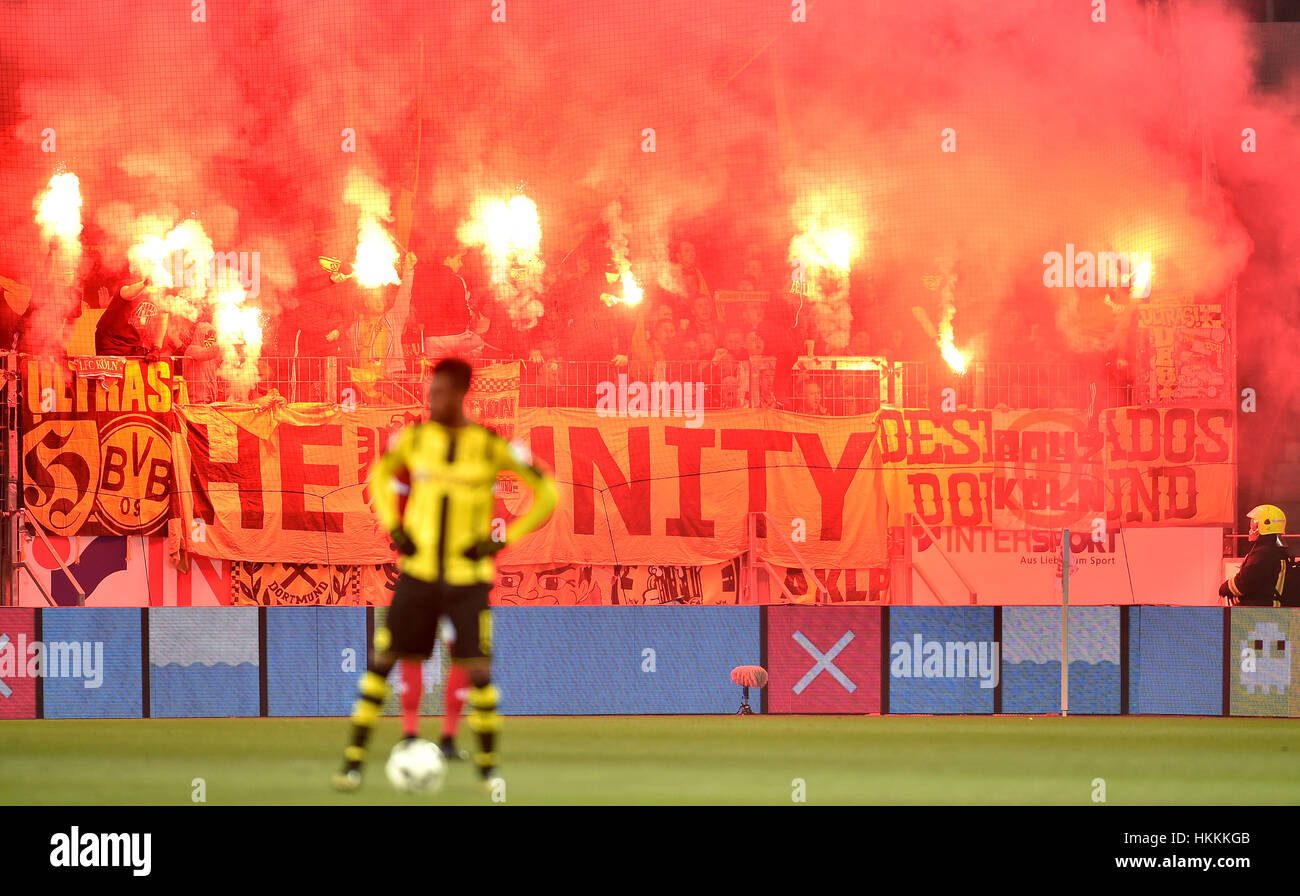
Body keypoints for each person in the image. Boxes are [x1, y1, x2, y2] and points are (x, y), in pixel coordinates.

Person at [334, 357, 558, 792]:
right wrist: (394, 526)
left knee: (478, 671)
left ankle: (489, 771)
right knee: (384, 662)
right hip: (418, 574)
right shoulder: (413, 439)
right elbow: (379, 476)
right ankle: (353, 763)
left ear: (459, 393)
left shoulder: (491, 445)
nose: (430, 398)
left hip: (467, 579)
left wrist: (505, 538)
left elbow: (547, 491)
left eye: (438, 391)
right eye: (429, 390)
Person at [1220, 504, 1289, 607]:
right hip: (1269, 611)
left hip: (1262, 613)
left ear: (1266, 526)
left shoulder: (1263, 554)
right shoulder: (1274, 550)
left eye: (1255, 524)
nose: (1251, 528)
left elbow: (1244, 583)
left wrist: (1226, 587)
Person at [183, 322, 222, 403]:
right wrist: (224, 343)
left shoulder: (212, 354)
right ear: (199, 334)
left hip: (211, 400)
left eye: (212, 336)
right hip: (196, 400)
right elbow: (204, 354)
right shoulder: (191, 350)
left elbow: (221, 363)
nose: (210, 339)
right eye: (207, 336)